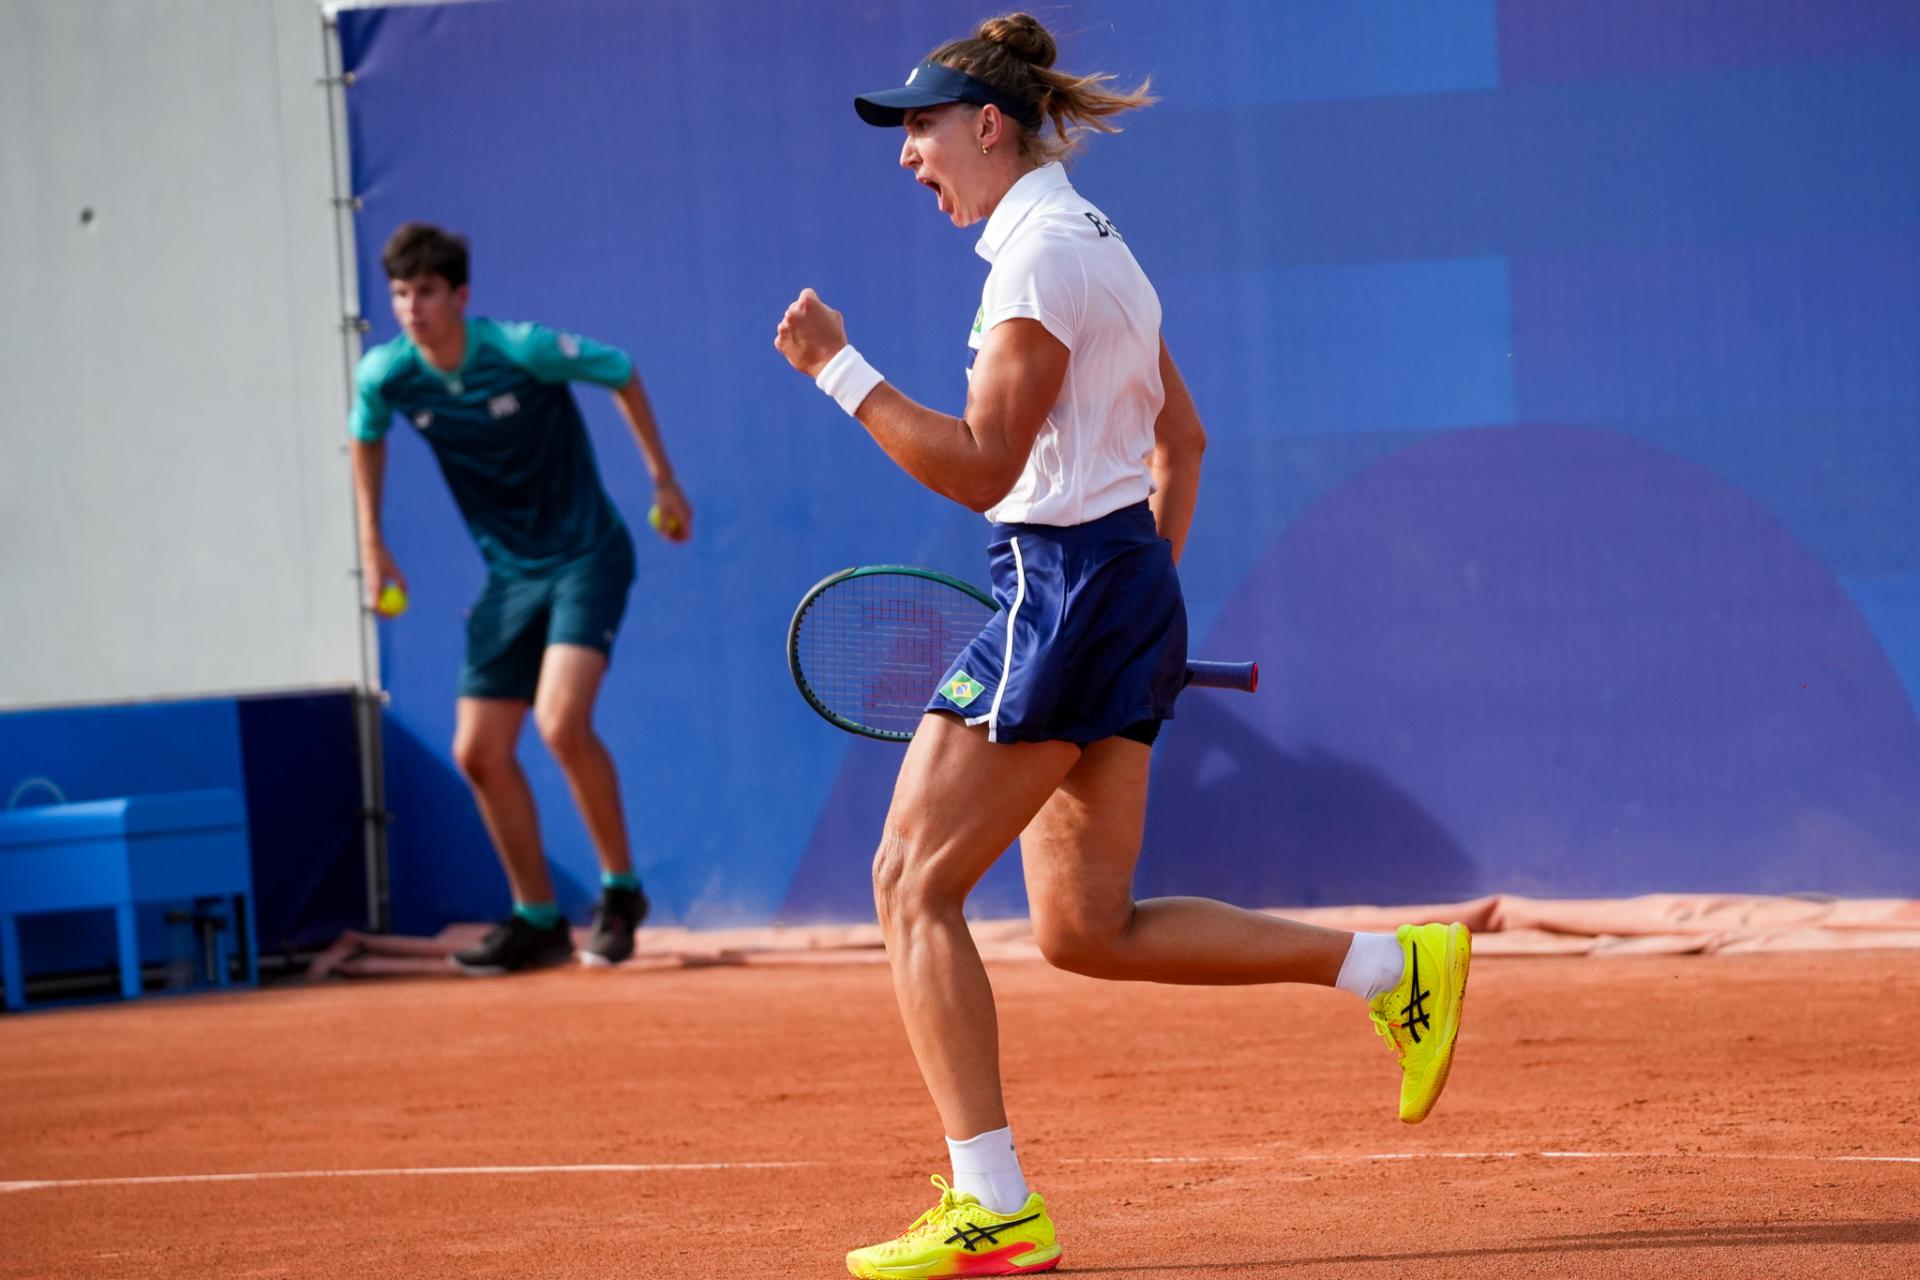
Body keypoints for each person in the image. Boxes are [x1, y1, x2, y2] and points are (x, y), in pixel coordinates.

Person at [776, 15, 1470, 1278]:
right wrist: (1138, 610)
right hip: (1113, 581)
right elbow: (1181, 447)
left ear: (989, 124)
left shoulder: (1037, 257)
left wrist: (840, 372)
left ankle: (993, 1202)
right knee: (1086, 927)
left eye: (922, 129)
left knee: (906, 880)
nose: (908, 156)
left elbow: (988, 464)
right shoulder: (1096, 243)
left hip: (1065, 584)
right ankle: (1390, 965)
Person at [350, 222, 692, 975]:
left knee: (561, 724)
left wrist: (661, 478)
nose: (413, 308)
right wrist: (373, 542)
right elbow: (366, 436)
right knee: (477, 751)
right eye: (402, 295)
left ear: (460, 296)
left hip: (586, 554)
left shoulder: (519, 349)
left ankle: (620, 892)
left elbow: (622, 370)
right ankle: (536, 918)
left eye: (427, 293)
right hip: (509, 574)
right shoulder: (386, 375)